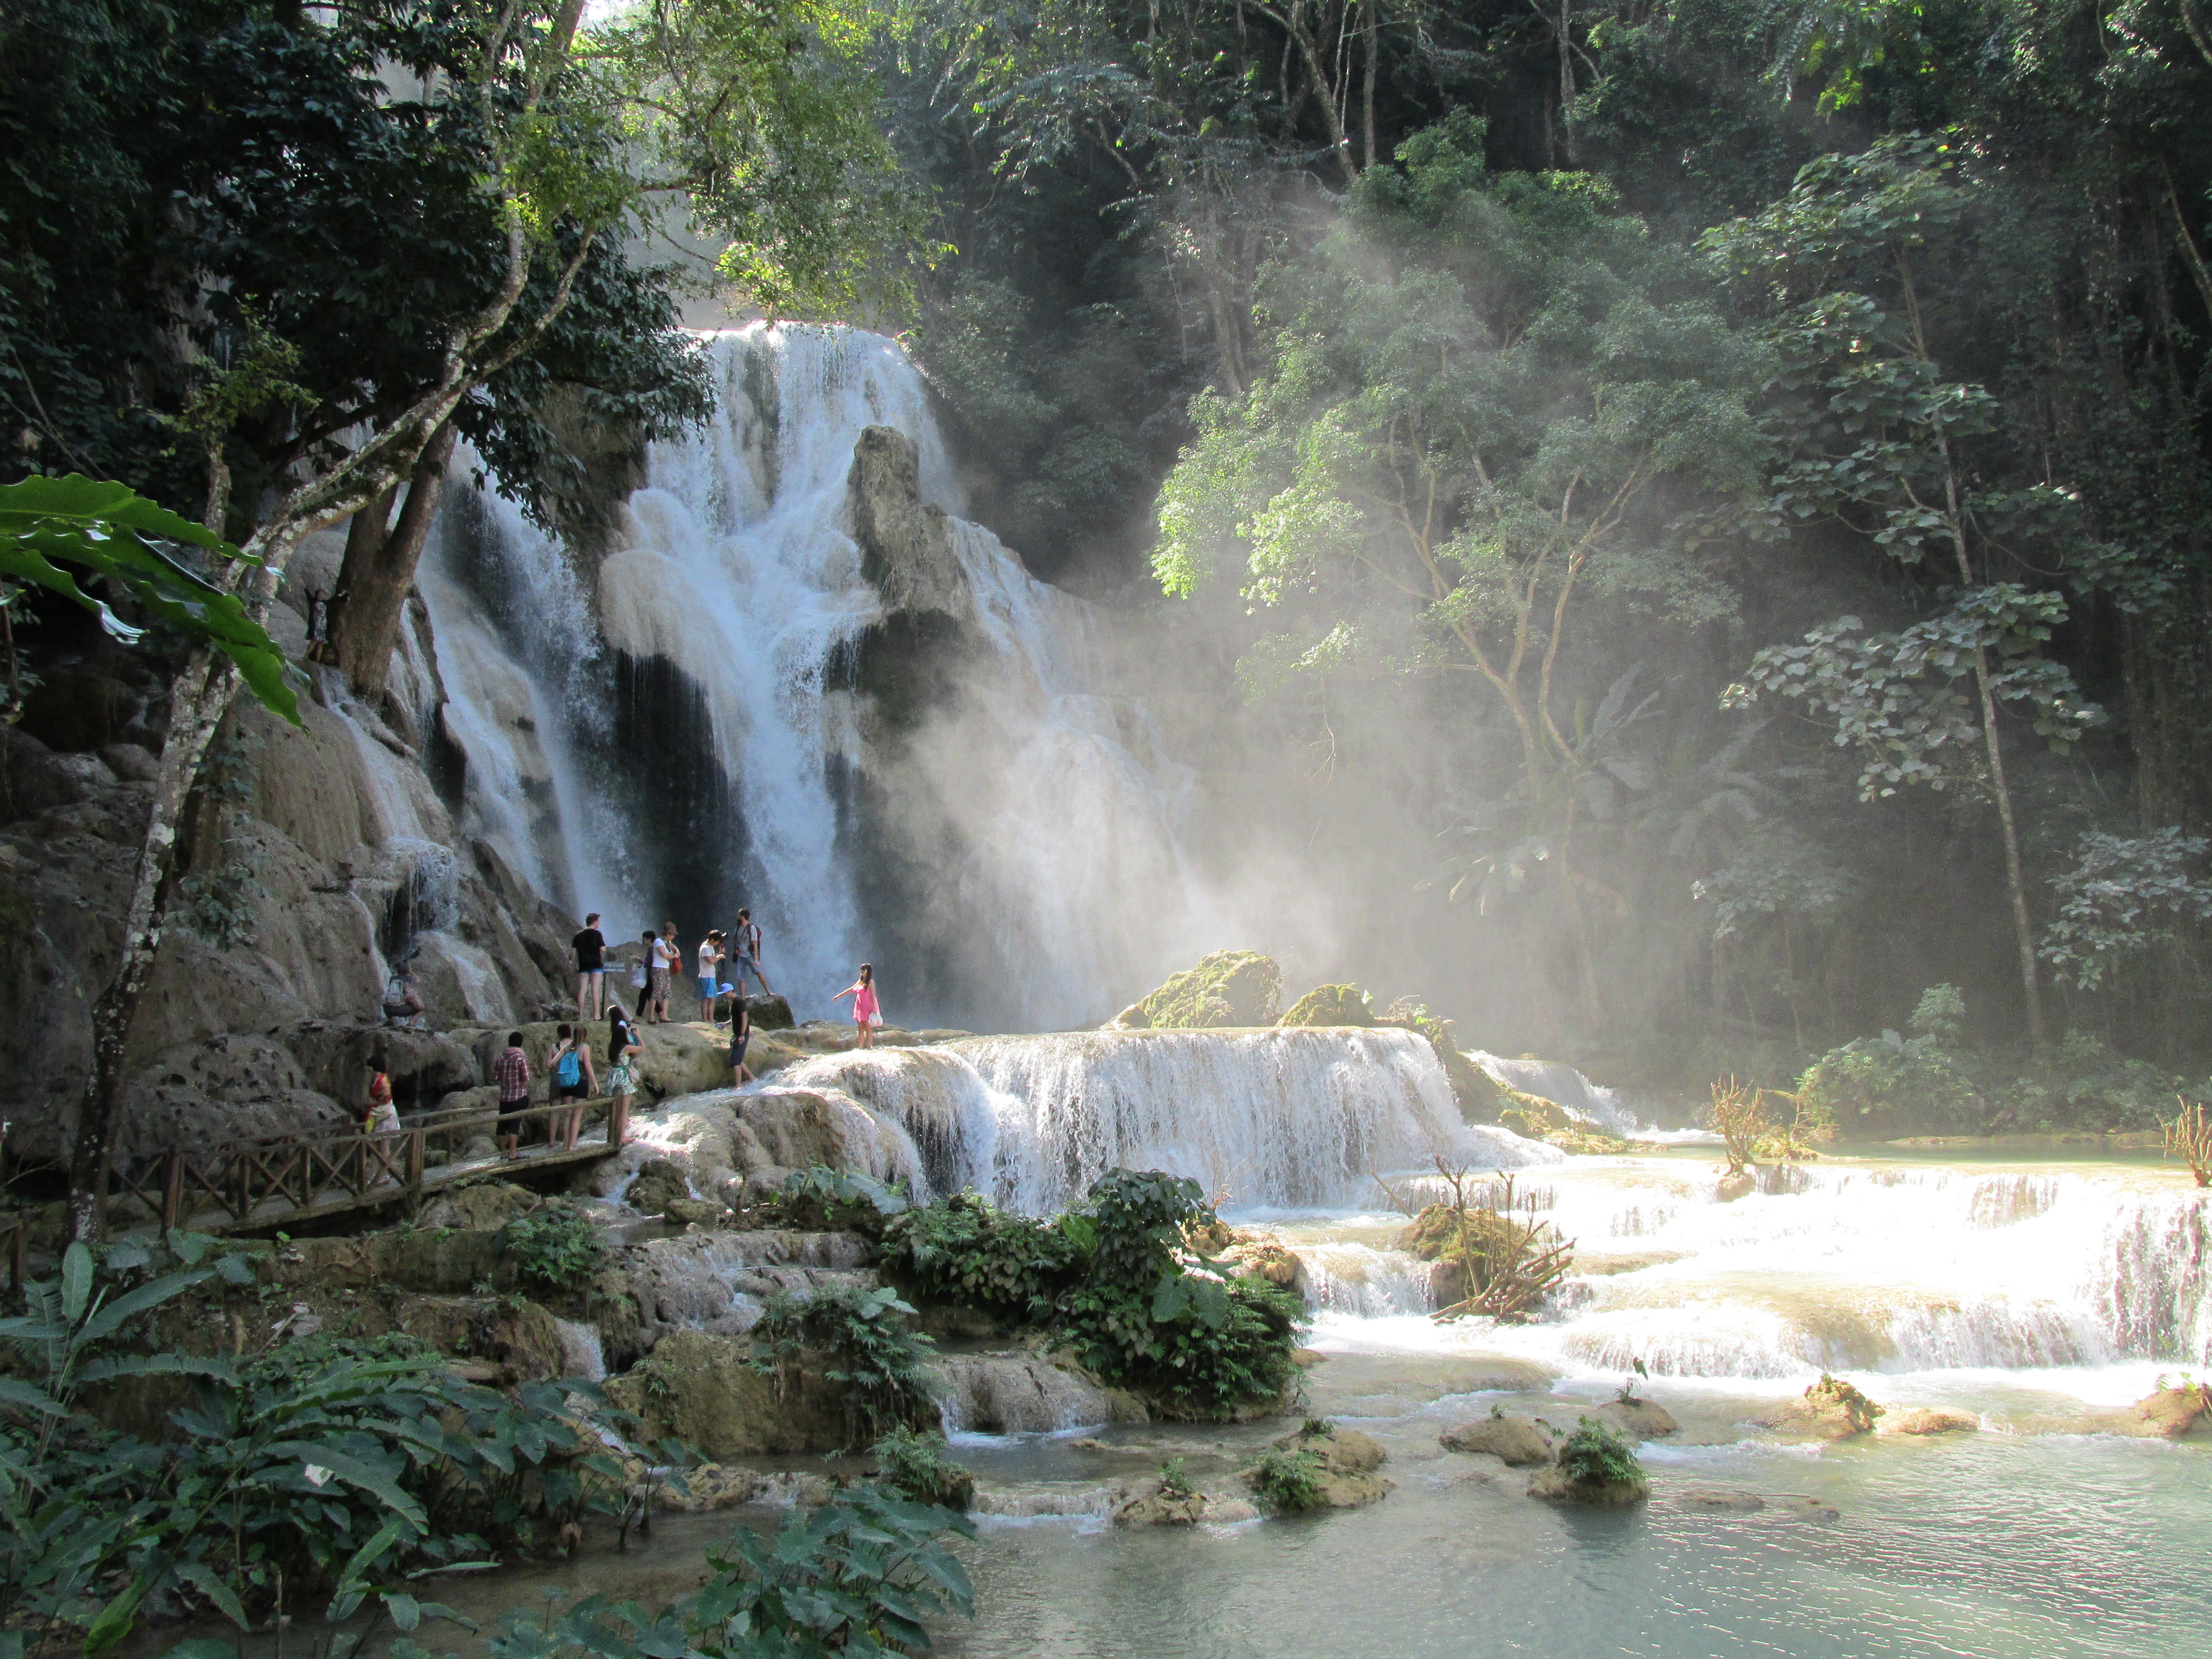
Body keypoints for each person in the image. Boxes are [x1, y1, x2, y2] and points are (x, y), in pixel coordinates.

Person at [549, 1023, 596, 1151]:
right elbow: (588, 1066)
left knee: (567, 1115)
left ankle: (565, 1144)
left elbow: (553, 1062)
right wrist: (595, 1084)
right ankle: (572, 1145)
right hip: (580, 1082)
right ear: (585, 1036)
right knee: (577, 1115)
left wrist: (562, 1073)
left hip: (566, 1084)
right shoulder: (584, 1047)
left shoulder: (568, 1047)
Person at [606, 1003, 643, 1148]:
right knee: (624, 1108)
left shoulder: (613, 1047)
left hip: (613, 1076)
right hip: (624, 1078)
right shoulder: (626, 1048)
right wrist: (638, 1035)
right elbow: (643, 1049)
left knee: (615, 1107)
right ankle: (622, 1136)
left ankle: (614, 1134)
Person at [493, 1030, 531, 1158]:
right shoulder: (520, 1059)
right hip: (518, 1096)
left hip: (504, 1097)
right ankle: (513, 1153)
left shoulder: (501, 1059)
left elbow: (497, 1077)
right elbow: (526, 1078)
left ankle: (503, 1152)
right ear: (521, 1043)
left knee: (502, 1125)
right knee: (514, 1124)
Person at [831, 963, 881, 1050]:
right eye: (861, 969)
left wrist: (874, 1008)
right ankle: (860, 1048)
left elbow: (874, 996)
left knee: (868, 1028)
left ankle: (869, 1047)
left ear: (868, 971)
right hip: (860, 1007)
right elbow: (850, 990)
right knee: (861, 1029)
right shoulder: (860, 982)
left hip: (868, 1007)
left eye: (864, 969)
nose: (862, 971)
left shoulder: (870, 982)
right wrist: (838, 996)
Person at [730, 907, 772, 996]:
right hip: (740, 957)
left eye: (739, 915)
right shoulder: (737, 928)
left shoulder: (751, 928)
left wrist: (756, 959)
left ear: (743, 917)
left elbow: (755, 944)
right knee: (741, 978)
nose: (737, 916)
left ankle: (768, 991)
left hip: (750, 956)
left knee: (759, 972)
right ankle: (743, 998)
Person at [573, 913, 607, 1021]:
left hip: (583, 964)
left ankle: (581, 1016)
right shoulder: (597, 934)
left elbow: (573, 953)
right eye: (598, 921)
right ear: (595, 922)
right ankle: (596, 1016)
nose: (599, 923)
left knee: (582, 990)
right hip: (596, 964)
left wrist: (575, 965)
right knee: (595, 990)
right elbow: (603, 949)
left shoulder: (578, 935)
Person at [649, 923, 679, 1023]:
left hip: (666, 969)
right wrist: (675, 956)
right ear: (668, 934)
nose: (674, 937)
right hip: (658, 969)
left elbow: (677, 952)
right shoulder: (659, 942)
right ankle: (652, 1017)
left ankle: (664, 1016)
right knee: (656, 992)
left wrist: (674, 949)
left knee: (667, 992)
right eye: (673, 934)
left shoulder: (667, 943)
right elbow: (665, 955)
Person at [381, 963, 425, 1028]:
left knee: (390, 1001)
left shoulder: (392, 979)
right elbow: (411, 996)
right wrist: (411, 972)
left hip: (387, 1009)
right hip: (400, 1010)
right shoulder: (410, 980)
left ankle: (389, 1020)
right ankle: (411, 1024)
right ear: (408, 971)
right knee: (421, 1011)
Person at [697, 929, 726, 1024]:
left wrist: (719, 954)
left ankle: (711, 1019)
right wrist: (720, 956)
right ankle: (705, 1020)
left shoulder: (710, 947)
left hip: (711, 976)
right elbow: (711, 961)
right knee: (707, 998)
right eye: (717, 941)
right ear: (713, 940)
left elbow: (713, 958)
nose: (718, 944)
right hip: (706, 977)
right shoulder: (705, 947)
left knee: (713, 998)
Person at [729, 996, 753, 1085]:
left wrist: (742, 1035)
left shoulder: (739, 1002)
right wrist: (725, 1024)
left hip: (741, 1035)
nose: (723, 996)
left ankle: (738, 1087)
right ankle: (752, 1078)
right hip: (737, 1035)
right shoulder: (734, 1002)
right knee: (737, 1058)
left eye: (724, 994)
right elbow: (735, 1018)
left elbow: (745, 1016)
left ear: (729, 992)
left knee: (736, 1062)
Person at [306, 588, 332, 663]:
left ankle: (318, 661)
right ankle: (306, 656)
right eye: (319, 594)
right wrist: (304, 586)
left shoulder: (325, 603)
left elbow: (334, 600)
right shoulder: (313, 602)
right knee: (314, 641)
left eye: (322, 595)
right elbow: (308, 595)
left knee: (321, 644)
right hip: (316, 625)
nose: (321, 596)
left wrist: (342, 594)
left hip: (323, 626)